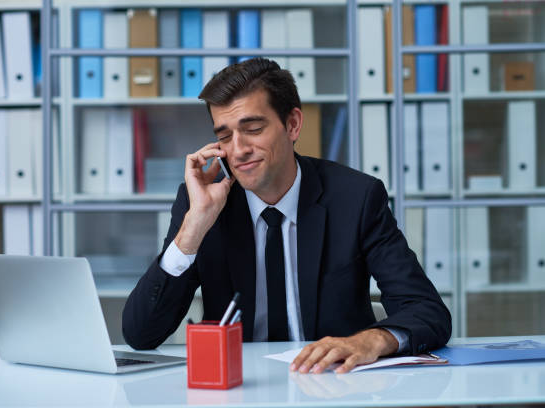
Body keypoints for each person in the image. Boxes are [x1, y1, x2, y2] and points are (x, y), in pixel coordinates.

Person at [123, 58, 451, 374]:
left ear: (292, 124)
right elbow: (140, 335)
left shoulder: (356, 198)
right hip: (238, 391)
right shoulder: (202, 204)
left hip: (331, 386)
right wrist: (193, 227)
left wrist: (373, 339)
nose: (237, 149)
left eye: (252, 128)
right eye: (224, 136)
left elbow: (428, 312)